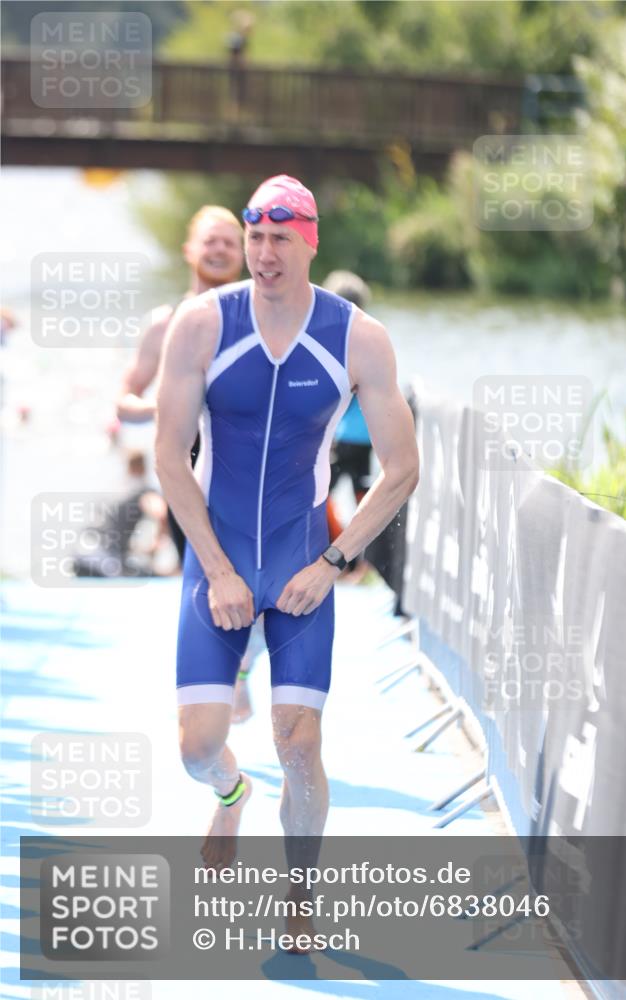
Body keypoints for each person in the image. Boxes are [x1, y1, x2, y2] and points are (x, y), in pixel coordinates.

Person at [155, 174, 419, 949]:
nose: (263, 253)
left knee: (299, 745)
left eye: (280, 239)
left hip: (305, 562)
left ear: (309, 243)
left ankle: (298, 895)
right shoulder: (202, 323)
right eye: (253, 237)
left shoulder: (357, 337)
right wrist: (218, 569)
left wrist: (334, 559)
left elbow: (401, 467)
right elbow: (170, 458)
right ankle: (230, 794)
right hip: (218, 560)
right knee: (197, 746)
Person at [116, 205, 258, 715]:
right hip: (187, 471)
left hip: (253, 467)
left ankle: (242, 664)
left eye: (229, 241)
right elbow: (125, 400)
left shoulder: (264, 314)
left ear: (243, 251)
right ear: (190, 250)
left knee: (267, 579)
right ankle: (218, 688)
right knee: (207, 581)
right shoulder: (165, 323)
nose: (219, 249)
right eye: (210, 241)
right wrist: (170, 405)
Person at [322, 271, 374, 581]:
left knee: (318, 495)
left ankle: (346, 558)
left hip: (344, 436)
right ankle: (360, 562)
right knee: (364, 499)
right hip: (366, 436)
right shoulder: (370, 335)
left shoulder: (337, 339)